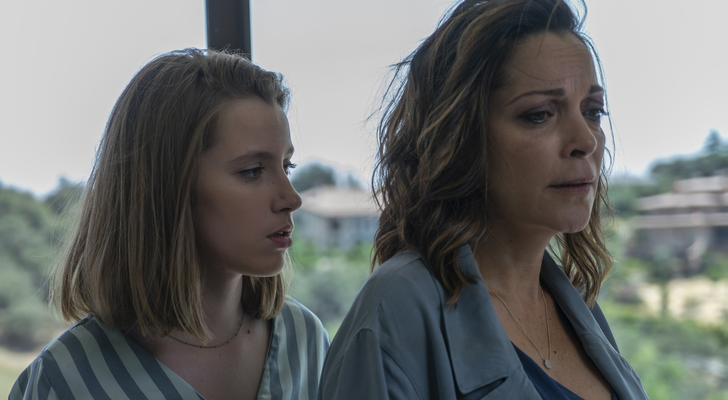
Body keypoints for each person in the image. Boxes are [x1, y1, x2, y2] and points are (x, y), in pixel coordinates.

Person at [318, 0, 648, 399]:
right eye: (540, 114)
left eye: (593, 111)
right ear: (460, 136)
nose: (586, 140)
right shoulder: (396, 310)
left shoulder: (578, 309)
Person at [10, 49, 329, 400]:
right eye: (252, 171)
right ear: (166, 188)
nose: (291, 198)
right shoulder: (63, 383)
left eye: (287, 167)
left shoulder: (306, 344)